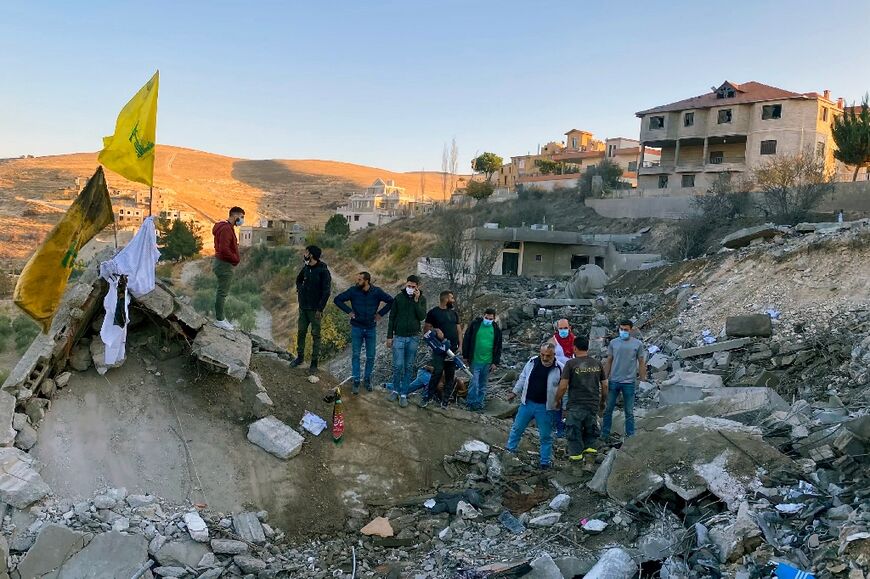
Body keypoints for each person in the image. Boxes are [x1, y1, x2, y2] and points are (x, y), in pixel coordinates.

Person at [505, 343, 564, 470]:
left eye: (548, 356)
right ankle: (509, 451)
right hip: (527, 403)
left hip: (545, 407)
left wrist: (562, 405)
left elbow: (565, 388)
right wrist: (514, 392)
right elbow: (523, 378)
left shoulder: (560, 368)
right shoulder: (532, 362)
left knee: (545, 436)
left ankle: (544, 462)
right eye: (542, 355)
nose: (544, 358)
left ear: (554, 355)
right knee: (517, 428)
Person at [334, 272, 393, 394]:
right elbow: (337, 299)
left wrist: (380, 314)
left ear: (367, 281)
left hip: (371, 328)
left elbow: (391, 301)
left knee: (371, 356)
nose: (357, 281)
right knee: (356, 355)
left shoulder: (376, 292)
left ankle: (367, 379)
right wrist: (349, 311)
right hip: (357, 328)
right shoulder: (353, 291)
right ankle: (356, 380)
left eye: (360, 280)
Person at [555, 337, 608, 461]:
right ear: (587, 348)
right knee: (591, 433)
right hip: (592, 405)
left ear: (574, 348)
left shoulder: (571, 364)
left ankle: (576, 466)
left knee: (574, 434)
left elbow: (563, 386)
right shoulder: (597, 363)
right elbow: (605, 385)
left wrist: (557, 401)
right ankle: (590, 463)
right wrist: (602, 401)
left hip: (575, 406)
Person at [601, 320, 647, 441]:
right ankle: (605, 434)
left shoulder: (637, 344)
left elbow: (641, 362)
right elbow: (609, 360)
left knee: (629, 412)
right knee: (608, 409)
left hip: (629, 382)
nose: (623, 331)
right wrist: (604, 378)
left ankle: (630, 436)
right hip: (614, 381)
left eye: (626, 330)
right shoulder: (613, 343)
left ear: (631, 330)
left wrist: (643, 379)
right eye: (621, 329)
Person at [386, 275, 427, 407]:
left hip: (413, 337)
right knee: (398, 366)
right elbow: (392, 317)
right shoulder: (398, 298)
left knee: (409, 366)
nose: (410, 288)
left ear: (417, 287)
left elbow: (421, 316)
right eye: (408, 286)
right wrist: (389, 336)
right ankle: (395, 390)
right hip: (399, 336)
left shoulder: (422, 299)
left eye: (413, 287)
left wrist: (416, 301)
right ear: (406, 284)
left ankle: (404, 393)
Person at [290, 245, 332, 372]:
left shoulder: (323, 271)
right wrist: (300, 289)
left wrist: (320, 309)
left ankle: (314, 363)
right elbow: (298, 279)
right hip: (303, 308)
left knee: (316, 336)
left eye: (307, 252)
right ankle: (300, 357)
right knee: (301, 332)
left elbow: (326, 292)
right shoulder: (306, 267)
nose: (305, 254)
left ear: (312, 255)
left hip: (315, 310)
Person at [421, 290, 461, 408]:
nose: (453, 300)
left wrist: (461, 346)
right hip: (439, 349)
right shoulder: (433, 313)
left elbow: (459, 331)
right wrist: (435, 330)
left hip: (452, 349)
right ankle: (427, 397)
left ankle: (445, 401)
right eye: (452, 298)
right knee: (437, 372)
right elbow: (426, 330)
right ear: (446, 299)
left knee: (450, 375)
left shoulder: (454, 314)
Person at [462, 308, 503, 411]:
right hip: (475, 360)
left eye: (490, 319)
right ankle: (470, 403)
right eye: (486, 318)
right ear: (483, 315)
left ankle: (479, 403)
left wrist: (495, 362)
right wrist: (465, 356)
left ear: (494, 318)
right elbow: (467, 339)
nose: (488, 320)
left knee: (483, 385)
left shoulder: (496, 329)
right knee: (474, 383)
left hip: (488, 362)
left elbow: (498, 346)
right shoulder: (475, 325)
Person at [211, 206, 245, 330]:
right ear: (234, 216)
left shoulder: (226, 227)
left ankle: (221, 318)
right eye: (241, 217)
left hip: (222, 263)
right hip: (224, 264)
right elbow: (224, 249)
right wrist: (235, 259)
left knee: (222, 292)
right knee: (222, 293)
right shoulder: (226, 229)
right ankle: (219, 319)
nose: (241, 220)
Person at [548, 318, 574, 436]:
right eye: (561, 329)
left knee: (569, 401)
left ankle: (569, 426)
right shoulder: (553, 341)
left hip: (572, 375)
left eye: (565, 328)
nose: (563, 331)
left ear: (570, 328)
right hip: (557, 374)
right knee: (557, 399)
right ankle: (558, 427)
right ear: (557, 329)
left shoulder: (575, 340)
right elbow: (547, 356)